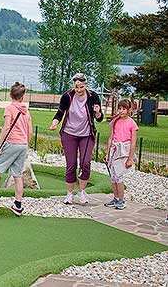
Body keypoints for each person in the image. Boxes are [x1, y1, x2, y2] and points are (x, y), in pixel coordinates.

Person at [50, 73, 103, 204]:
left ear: (86, 85)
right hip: (69, 134)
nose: (78, 90)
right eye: (76, 87)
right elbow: (60, 113)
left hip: (87, 134)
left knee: (85, 163)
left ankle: (82, 191)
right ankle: (69, 193)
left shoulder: (93, 96)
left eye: (81, 87)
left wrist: (97, 112)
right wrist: (55, 122)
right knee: (71, 164)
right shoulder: (67, 96)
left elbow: (100, 119)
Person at [0, 82, 33, 216]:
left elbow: (7, 127)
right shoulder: (26, 112)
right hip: (23, 145)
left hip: (12, 143)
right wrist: (25, 144)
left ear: (11, 95)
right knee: (17, 175)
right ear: (22, 97)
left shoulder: (9, 109)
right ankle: (18, 205)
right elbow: (30, 131)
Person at [104, 99, 138, 210]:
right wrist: (107, 153)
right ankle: (116, 198)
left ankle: (121, 200)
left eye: (124, 109)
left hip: (124, 151)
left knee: (119, 176)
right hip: (114, 151)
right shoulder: (115, 121)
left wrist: (130, 159)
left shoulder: (132, 124)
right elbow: (110, 138)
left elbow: (133, 143)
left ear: (129, 110)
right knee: (113, 177)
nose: (121, 111)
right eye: (120, 108)